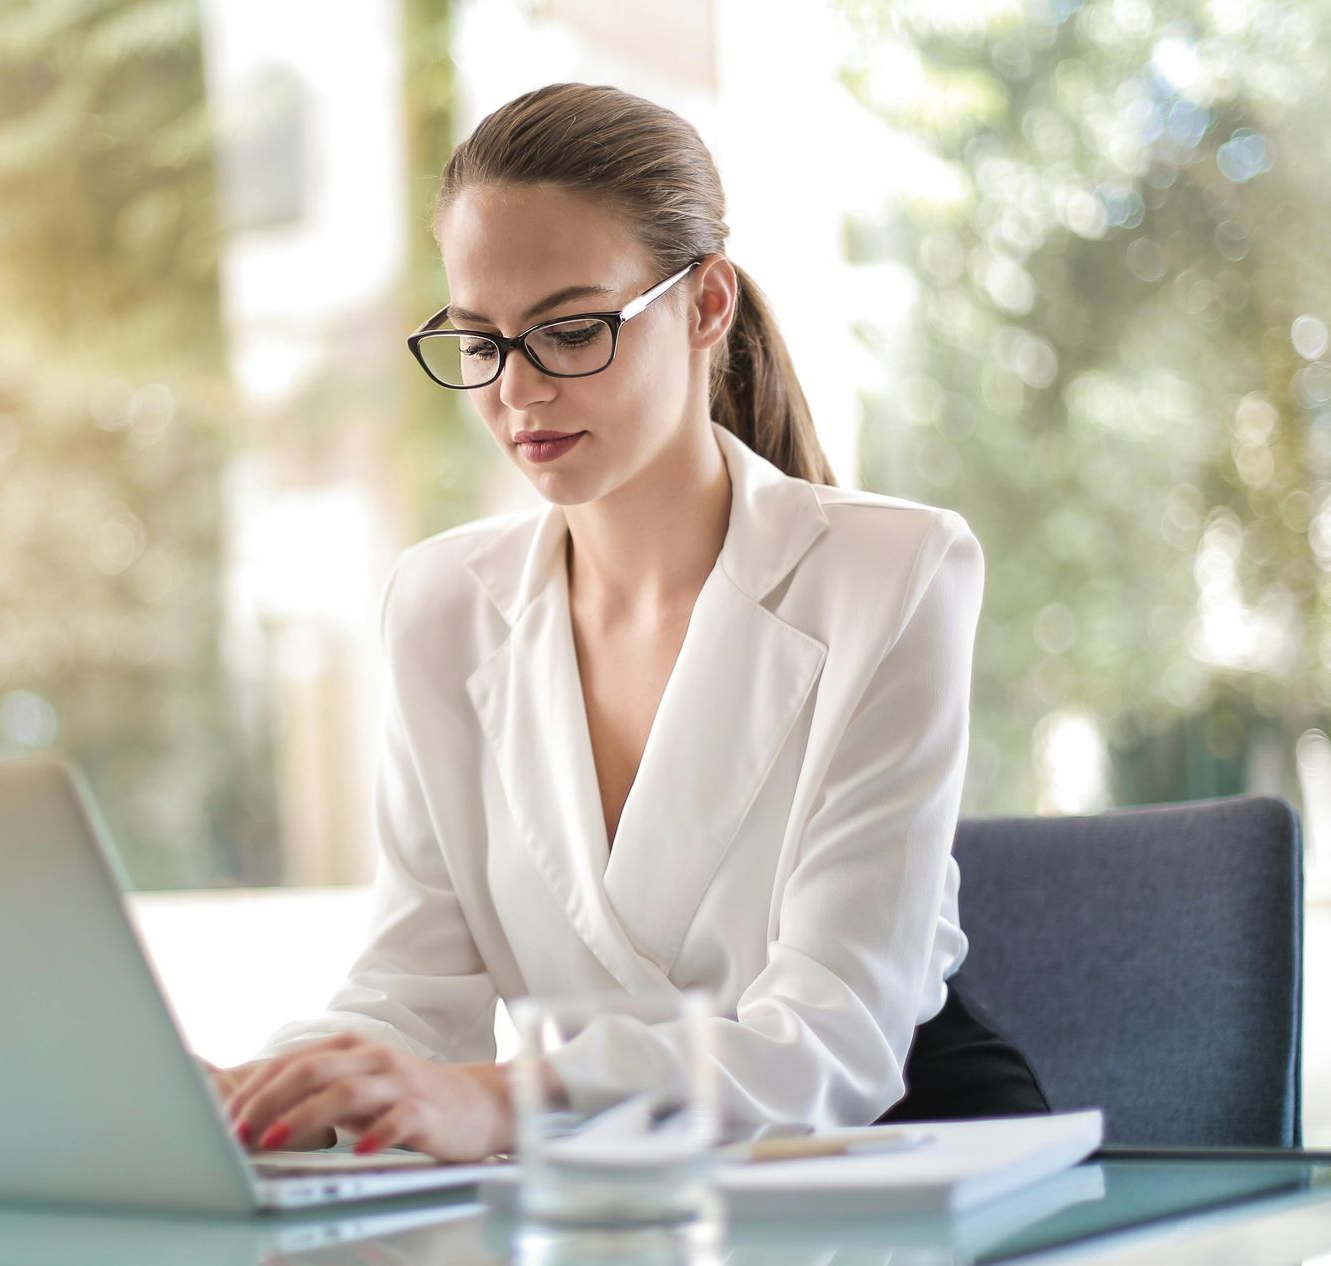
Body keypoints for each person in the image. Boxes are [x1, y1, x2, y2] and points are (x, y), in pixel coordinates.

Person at [208, 82, 1050, 1163]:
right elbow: (412, 990)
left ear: (706, 307)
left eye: (569, 330)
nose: (518, 390)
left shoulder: (894, 572)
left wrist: (506, 1103)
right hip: (617, 1184)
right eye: (480, 339)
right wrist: (264, 1093)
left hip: (889, 1157)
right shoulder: (440, 605)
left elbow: (831, 1043)